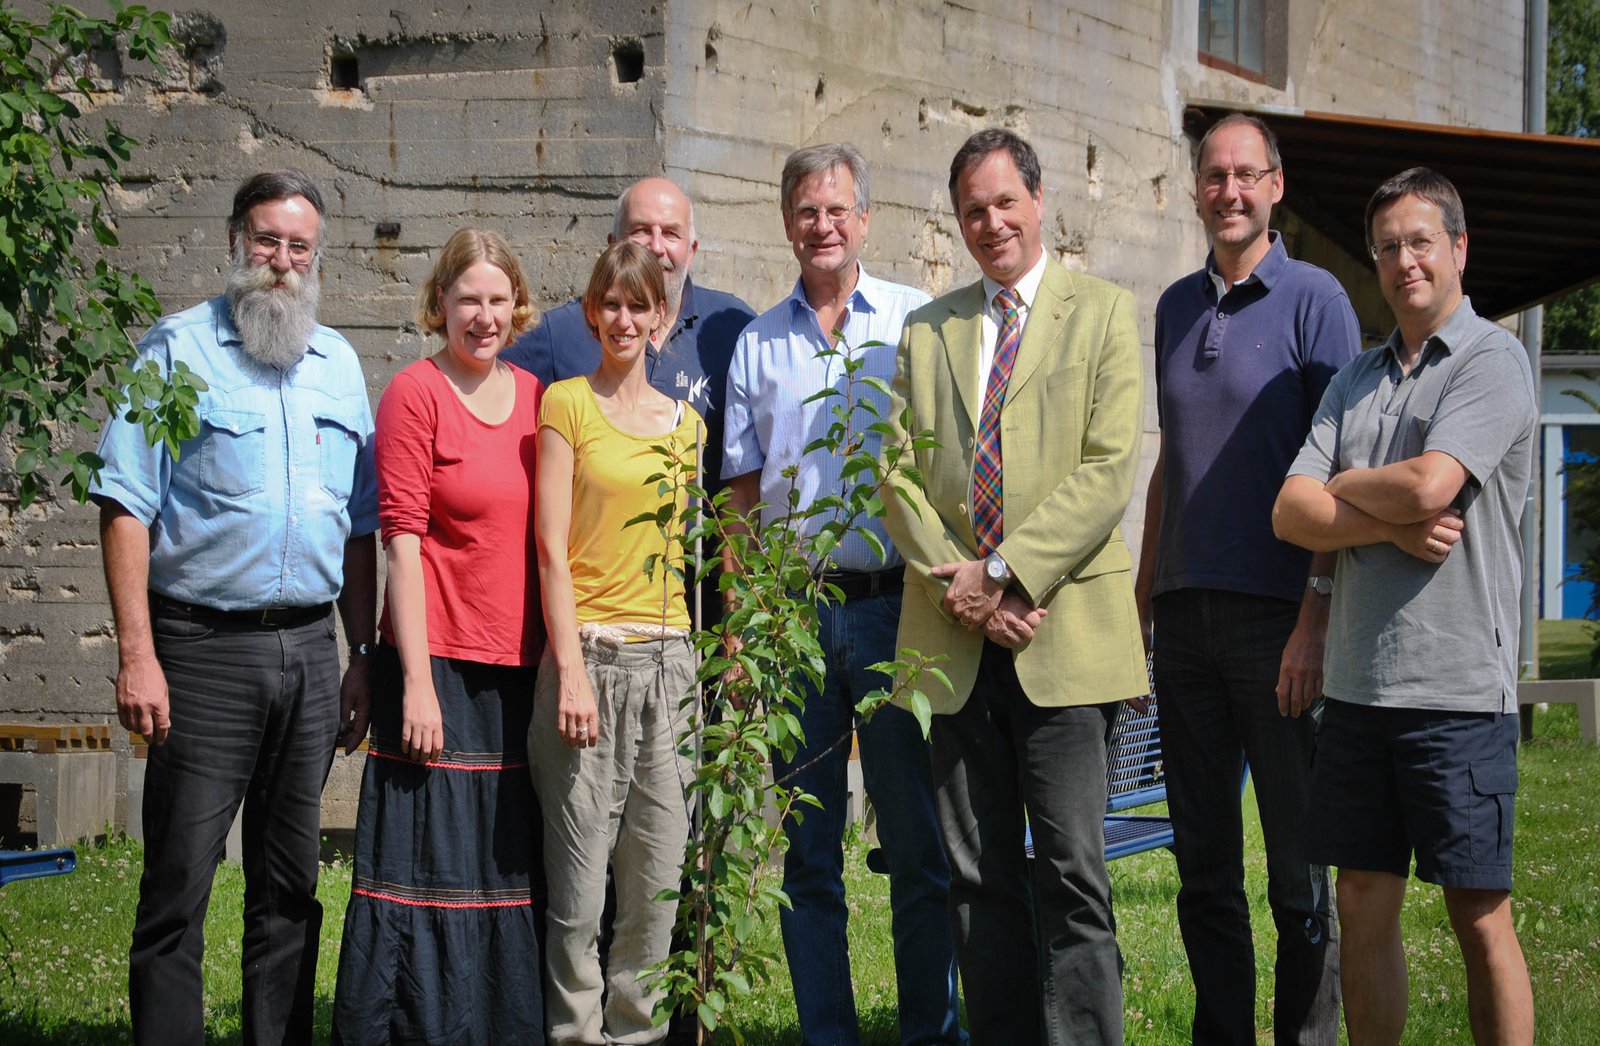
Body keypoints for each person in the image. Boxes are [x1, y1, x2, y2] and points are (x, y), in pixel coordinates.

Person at [91, 168, 378, 1045]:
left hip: (308, 649)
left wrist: (360, 655)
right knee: (179, 881)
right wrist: (138, 654)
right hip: (202, 650)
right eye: (267, 240)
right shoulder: (178, 352)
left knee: (291, 885)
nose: (282, 262)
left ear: (318, 258)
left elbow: (361, 526)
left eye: (299, 246)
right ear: (234, 242)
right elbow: (123, 500)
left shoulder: (338, 364)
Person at [881, 128, 1146, 1045]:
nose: (991, 222)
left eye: (1005, 203)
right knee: (975, 875)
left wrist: (1003, 572)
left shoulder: (1105, 312)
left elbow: (1109, 469)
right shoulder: (928, 329)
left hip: (1061, 635)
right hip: (954, 637)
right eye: (972, 211)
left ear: (1039, 202)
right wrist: (961, 584)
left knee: (1073, 873)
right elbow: (895, 471)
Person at [1272, 168, 1536, 1044]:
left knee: (1478, 914)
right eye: (1387, 247)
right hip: (1359, 689)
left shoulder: (1494, 359)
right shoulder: (1356, 378)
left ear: (1458, 248)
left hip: (1457, 689)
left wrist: (1341, 485)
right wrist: (1385, 525)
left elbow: (1435, 482)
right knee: (1362, 901)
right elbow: (1287, 509)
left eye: (1420, 241)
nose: (1402, 261)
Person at [721, 142, 964, 1046]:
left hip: (896, 607)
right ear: (787, 223)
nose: (822, 226)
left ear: (865, 219)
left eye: (837, 210)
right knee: (808, 851)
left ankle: (929, 1032)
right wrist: (747, 629)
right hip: (793, 617)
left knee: (916, 848)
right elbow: (740, 502)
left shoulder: (915, 320)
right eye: (805, 212)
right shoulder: (758, 342)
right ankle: (829, 1033)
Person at [1133, 112, 1354, 1044]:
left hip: (1279, 621)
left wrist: (1315, 615)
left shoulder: (1317, 300)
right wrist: (1139, 604)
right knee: (1205, 871)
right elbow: (1170, 461)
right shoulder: (1176, 305)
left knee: (1300, 874)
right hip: (1184, 623)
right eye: (1212, 175)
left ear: (1276, 187)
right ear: (1197, 190)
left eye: (1245, 174)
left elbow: (1343, 471)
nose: (1228, 190)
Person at [332, 228, 545, 1042]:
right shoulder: (414, 394)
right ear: (441, 305)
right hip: (438, 665)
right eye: (468, 300)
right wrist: (413, 683)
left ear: (515, 305)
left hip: (518, 670)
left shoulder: (535, 398)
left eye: (497, 300)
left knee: (503, 871)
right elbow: (400, 542)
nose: (483, 317)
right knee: (424, 867)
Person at [531, 241, 703, 1045]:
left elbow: (689, 559)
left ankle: (634, 1034)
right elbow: (549, 549)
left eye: (643, 306)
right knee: (578, 893)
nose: (626, 319)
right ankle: (573, 1035)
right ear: (593, 312)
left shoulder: (688, 427)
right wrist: (569, 671)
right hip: (590, 661)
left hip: (670, 666)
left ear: (662, 319)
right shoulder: (565, 404)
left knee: (656, 886)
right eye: (613, 304)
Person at [502, 176, 754, 509]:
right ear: (612, 244)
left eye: (671, 233)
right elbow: (486, 385)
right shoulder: (561, 332)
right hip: (590, 556)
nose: (656, 246)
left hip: (690, 558)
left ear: (692, 251)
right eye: (641, 231)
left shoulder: (735, 328)